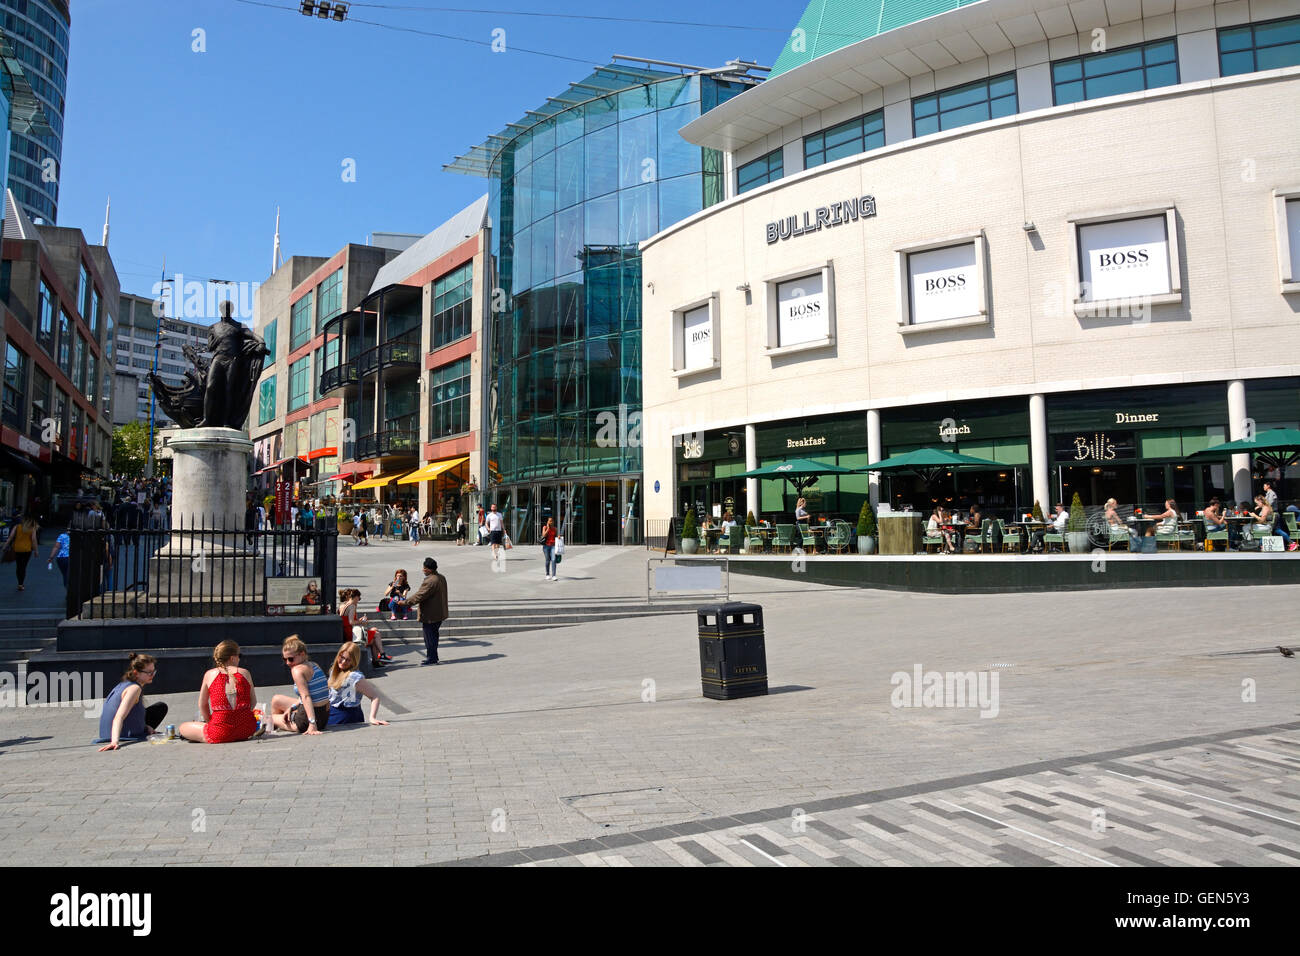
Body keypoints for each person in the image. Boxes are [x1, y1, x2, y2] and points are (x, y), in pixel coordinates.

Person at [177, 641, 261, 743]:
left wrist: (209, 722)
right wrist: (241, 715)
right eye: (239, 655)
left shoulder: (209, 674)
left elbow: (202, 704)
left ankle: (207, 733)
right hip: (246, 729)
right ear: (232, 658)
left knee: (183, 727)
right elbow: (253, 701)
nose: (239, 659)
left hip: (220, 732)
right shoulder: (245, 673)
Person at [97, 654, 166, 750]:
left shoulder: (123, 684)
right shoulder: (134, 688)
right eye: (149, 673)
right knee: (160, 708)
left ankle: (144, 728)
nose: (152, 675)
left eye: (153, 672)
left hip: (106, 733)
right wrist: (114, 742)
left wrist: (146, 727)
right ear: (136, 673)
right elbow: (119, 717)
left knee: (158, 707)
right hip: (118, 735)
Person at [271, 637, 329, 734]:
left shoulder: (297, 670)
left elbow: (306, 696)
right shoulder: (314, 665)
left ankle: (280, 727)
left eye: (290, 659)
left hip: (306, 721)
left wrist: (312, 724)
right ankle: (285, 722)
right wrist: (293, 707)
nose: (287, 663)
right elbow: (317, 694)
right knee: (276, 699)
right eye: (284, 659)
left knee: (270, 718)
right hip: (324, 718)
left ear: (302, 654)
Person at [326, 643, 390, 726]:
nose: (343, 661)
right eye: (342, 657)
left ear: (354, 661)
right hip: (331, 712)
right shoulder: (334, 671)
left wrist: (372, 717)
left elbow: (375, 696)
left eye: (348, 660)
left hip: (347, 716)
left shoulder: (354, 676)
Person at [411, 556, 449, 666]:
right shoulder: (441, 577)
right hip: (439, 613)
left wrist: (404, 603)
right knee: (433, 636)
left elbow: (419, 596)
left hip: (430, 615)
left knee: (429, 638)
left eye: (424, 568)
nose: (423, 570)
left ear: (429, 569)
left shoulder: (431, 581)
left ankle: (431, 658)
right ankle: (433, 657)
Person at [341, 588, 390, 666]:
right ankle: (381, 655)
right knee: (376, 635)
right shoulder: (352, 606)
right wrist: (362, 622)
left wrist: (359, 620)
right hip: (352, 635)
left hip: (347, 631)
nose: (358, 600)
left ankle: (378, 660)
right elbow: (351, 622)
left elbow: (348, 620)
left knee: (374, 630)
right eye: (359, 598)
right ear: (355, 597)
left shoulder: (344, 604)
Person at [4, 512, 39, 591]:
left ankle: (20, 583)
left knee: (19, 566)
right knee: (23, 566)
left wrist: (5, 546)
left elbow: (10, 537)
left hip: (17, 549)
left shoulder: (17, 527)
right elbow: (33, 540)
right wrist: (36, 551)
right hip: (27, 550)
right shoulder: (32, 528)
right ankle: (21, 583)